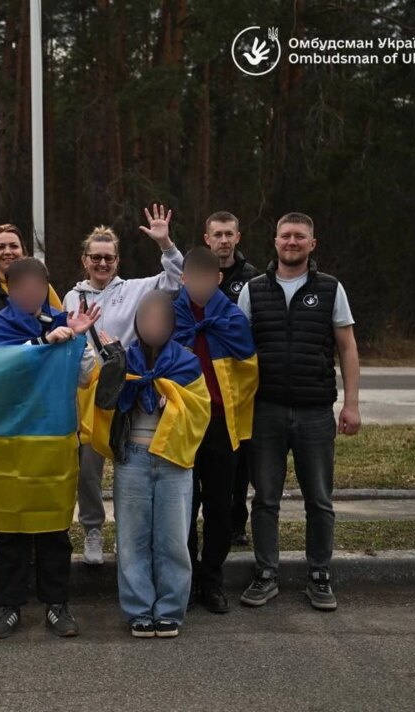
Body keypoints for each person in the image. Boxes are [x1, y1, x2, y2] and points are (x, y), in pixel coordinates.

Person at [236, 212, 361, 612]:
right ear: (275, 241)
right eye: (286, 235)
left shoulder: (330, 288)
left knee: (319, 499)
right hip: (265, 411)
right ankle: (266, 573)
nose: (292, 242)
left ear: (312, 243)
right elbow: (237, 350)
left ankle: (319, 575)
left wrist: (352, 404)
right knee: (265, 499)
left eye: (300, 236)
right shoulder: (253, 290)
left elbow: (347, 348)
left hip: (315, 412)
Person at [0, 257, 100, 639]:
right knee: (10, 527)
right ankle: (9, 605)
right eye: (25, 288)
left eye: (39, 287)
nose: (32, 294)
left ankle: (56, 604)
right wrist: (42, 344)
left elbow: (85, 378)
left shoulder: (62, 320)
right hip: (11, 441)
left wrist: (79, 340)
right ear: (11, 290)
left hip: (54, 439)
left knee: (54, 527)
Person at [62, 204, 185, 566]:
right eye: (96, 258)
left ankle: (128, 534)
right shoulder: (71, 296)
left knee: (130, 467)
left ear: (117, 261)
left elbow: (176, 280)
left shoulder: (134, 289)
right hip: (88, 392)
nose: (102, 264)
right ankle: (93, 529)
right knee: (89, 469)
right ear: (85, 260)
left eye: (109, 258)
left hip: (128, 390)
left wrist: (165, 244)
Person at [95, 290, 211, 639]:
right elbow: (102, 403)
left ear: (172, 324)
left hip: (174, 460)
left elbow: (200, 410)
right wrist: (115, 367)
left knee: (173, 540)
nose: (153, 325)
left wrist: (173, 402)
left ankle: (170, 610)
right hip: (133, 458)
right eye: (146, 318)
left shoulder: (187, 362)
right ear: (137, 322)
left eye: (161, 319)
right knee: (132, 539)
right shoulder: (124, 360)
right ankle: (138, 610)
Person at [172, 247, 258, 614]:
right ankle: (188, 577)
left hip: (222, 424)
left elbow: (249, 372)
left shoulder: (232, 318)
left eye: (208, 278)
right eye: (194, 278)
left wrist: (231, 409)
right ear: (183, 278)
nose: (201, 284)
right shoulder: (172, 315)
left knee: (220, 506)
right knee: (184, 505)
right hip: (183, 423)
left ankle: (212, 578)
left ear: (219, 278)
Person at [203, 210, 261, 547]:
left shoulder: (254, 279)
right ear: (207, 239)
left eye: (229, 234)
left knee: (240, 460)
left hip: (241, 386)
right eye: (218, 234)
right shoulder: (195, 275)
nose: (223, 240)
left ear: (238, 237)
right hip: (207, 384)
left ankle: (237, 524)